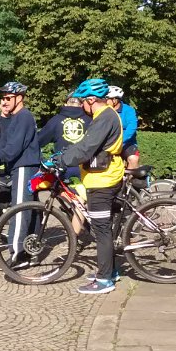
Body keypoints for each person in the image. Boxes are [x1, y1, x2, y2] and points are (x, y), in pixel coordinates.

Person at [56, 79, 125, 294]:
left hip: (102, 181)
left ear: (91, 100)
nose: (81, 106)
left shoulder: (104, 117)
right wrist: (65, 154)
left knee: (101, 229)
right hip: (101, 178)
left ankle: (104, 280)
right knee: (104, 228)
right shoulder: (105, 115)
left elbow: (87, 148)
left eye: (83, 102)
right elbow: (86, 144)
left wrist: (61, 161)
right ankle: (110, 271)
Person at [0, 81, 41, 268]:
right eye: (3, 98)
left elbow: (14, 147)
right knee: (29, 210)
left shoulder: (24, 117)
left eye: (8, 98)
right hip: (21, 166)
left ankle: (18, 254)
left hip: (24, 166)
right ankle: (31, 252)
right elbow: (3, 143)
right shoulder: (16, 118)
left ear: (19, 98)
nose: (4, 101)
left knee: (20, 210)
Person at [37, 95, 91, 181]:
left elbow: (38, 141)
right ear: (81, 105)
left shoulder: (56, 120)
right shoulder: (90, 121)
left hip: (62, 166)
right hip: (85, 168)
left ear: (65, 104)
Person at [106, 86, 139, 169]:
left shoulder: (128, 110)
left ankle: (130, 177)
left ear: (114, 100)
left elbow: (132, 127)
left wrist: (120, 141)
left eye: (107, 98)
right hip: (108, 144)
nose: (104, 101)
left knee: (133, 159)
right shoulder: (104, 110)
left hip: (126, 143)